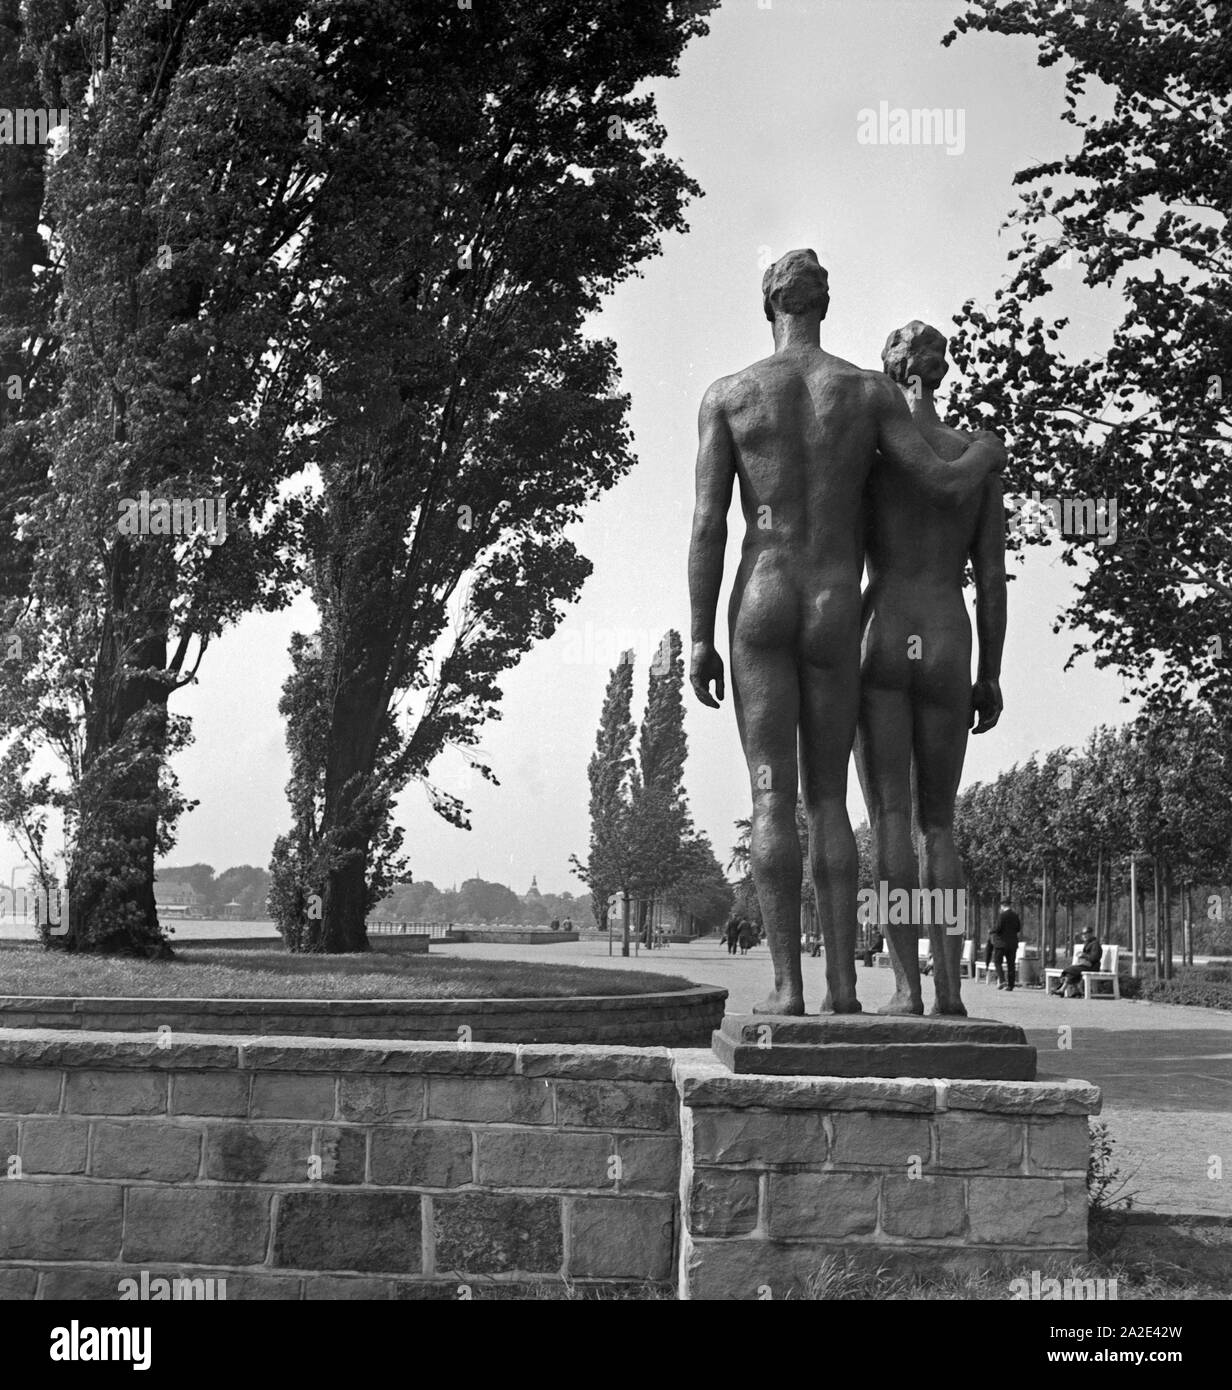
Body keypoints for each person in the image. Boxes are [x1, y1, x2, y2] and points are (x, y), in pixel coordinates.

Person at [688, 249, 1005, 1015]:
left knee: (773, 796)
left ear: (770, 306)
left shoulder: (729, 395)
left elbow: (707, 525)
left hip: (763, 596)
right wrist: (988, 452)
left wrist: (699, 636)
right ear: (824, 304)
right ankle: (844, 994)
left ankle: (788, 992)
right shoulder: (866, 393)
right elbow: (934, 479)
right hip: (835, 606)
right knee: (832, 798)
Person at [855, 322, 1006, 1017]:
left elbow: (835, 550)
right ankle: (950, 994)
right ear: (941, 372)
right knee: (938, 824)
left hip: (884, 628)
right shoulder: (977, 455)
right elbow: (994, 582)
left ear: (890, 373)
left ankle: (905, 990)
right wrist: (992, 673)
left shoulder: (871, 452)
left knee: (890, 814)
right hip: (951, 634)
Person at [1055, 926, 1103, 998]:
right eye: (1082, 934)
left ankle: (1065, 990)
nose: (1084, 935)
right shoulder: (1088, 943)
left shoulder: (1095, 944)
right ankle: (1073, 991)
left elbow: (1094, 958)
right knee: (1071, 971)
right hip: (1086, 966)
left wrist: (1083, 955)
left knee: (1070, 970)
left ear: (1091, 933)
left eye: (1085, 933)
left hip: (1093, 967)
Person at [990, 898, 1021, 991]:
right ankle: (1010, 985)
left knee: (997, 961)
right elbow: (1018, 928)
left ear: (1002, 905)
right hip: (1012, 944)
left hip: (1001, 944)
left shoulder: (1002, 915)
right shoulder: (1015, 915)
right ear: (1010, 905)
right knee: (1011, 964)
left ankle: (1002, 980)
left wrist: (991, 930)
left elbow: (998, 928)